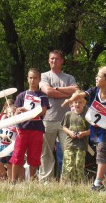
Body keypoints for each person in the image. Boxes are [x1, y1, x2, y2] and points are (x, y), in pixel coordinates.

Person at [39, 50, 78, 182]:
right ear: (48, 60)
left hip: (65, 121)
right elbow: (47, 91)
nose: (54, 61)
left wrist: (55, 90)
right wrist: (66, 94)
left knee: (68, 151)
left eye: (56, 59)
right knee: (46, 152)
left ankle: (67, 180)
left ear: (62, 61)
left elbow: (76, 90)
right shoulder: (44, 76)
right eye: (51, 59)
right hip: (48, 119)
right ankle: (46, 180)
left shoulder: (69, 77)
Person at [10, 68, 50, 183]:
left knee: (34, 156)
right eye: (30, 78)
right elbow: (16, 112)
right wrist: (17, 111)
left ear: (39, 80)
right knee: (18, 154)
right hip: (22, 129)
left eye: (35, 78)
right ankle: (13, 181)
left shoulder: (43, 96)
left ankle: (31, 181)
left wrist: (28, 111)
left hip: (37, 129)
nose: (33, 80)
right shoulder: (22, 95)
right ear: (27, 79)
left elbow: (43, 112)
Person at [61, 90, 90, 184]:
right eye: (75, 102)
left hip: (81, 145)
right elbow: (64, 127)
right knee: (69, 164)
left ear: (84, 103)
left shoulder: (87, 116)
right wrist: (70, 132)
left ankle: (79, 183)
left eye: (80, 102)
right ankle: (69, 183)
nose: (77, 104)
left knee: (79, 164)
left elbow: (92, 130)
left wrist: (84, 133)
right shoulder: (68, 115)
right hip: (69, 143)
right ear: (72, 103)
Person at [0, 104, 17, 181]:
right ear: (7, 114)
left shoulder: (17, 125)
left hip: (11, 148)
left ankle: (11, 180)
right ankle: (4, 175)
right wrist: (2, 135)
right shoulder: (3, 123)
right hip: (2, 147)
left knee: (9, 165)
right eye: (10, 113)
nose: (11, 114)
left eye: (13, 112)